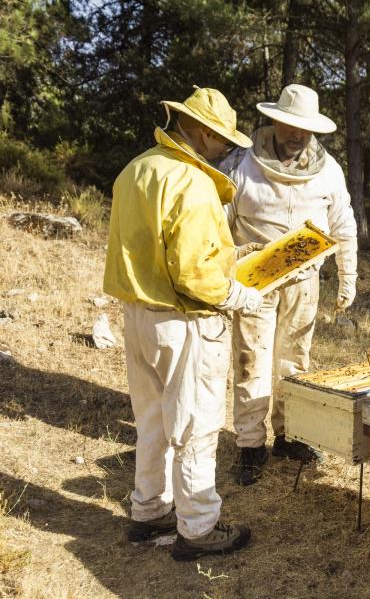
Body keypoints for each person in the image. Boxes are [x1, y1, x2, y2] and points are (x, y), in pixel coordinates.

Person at [103, 86, 263, 560]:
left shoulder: (137, 169)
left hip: (139, 316)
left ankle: (149, 512)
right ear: (196, 131)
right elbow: (195, 274)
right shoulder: (191, 183)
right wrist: (241, 295)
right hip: (185, 322)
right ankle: (199, 528)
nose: (228, 148)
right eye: (221, 140)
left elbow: (161, 246)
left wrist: (235, 256)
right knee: (196, 427)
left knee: (151, 421)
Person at [218, 84, 358, 486]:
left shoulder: (328, 170)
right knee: (251, 360)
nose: (297, 135)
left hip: (303, 279)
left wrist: (347, 275)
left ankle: (289, 435)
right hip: (254, 281)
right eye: (290, 125)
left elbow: (343, 224)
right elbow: (219, 223)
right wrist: (229, 265)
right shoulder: (241, 163)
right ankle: (249, 445)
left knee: (294, 360)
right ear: (275, 120)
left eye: (305, 129)